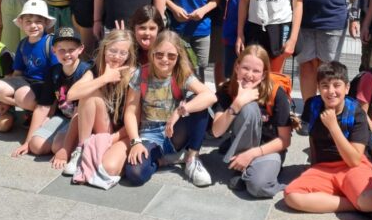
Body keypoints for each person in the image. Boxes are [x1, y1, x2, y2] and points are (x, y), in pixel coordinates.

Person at [283, 61, 372, 215]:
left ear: (347, 88)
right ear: (318, 88)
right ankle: (352, 203)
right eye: (325, 86)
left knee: (371, 202)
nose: (331, 91)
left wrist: (333, 127)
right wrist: (313, 165)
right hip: (323, 169)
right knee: (292, 196)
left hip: (352, 167)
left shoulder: (356, 112)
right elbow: (312, 137)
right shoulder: (313, 105)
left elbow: (354, 160)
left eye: (337, 85)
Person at [118, 30, 217, 187]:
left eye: (171, 56)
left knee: (198, 103)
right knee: (135, 174)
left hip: (175, 131)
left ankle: (192, 158)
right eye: (159, 55)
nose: (165, 60)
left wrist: (178, 112)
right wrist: (136, 142)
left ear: (178, 57)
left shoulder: (181, 74)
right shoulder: (141, 74)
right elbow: (130, 112)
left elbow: (210, 96)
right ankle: (165, 160)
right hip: (150, 134)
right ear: (152, 54)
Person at [210, 45, 293, 198]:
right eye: (245, 68)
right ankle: (241, 168)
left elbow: (285, 140)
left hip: (268, 149)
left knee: (258, 187)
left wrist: (251, 154)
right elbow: (216, 131)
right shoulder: (227, 89)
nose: (249, 75)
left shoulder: (276, 93)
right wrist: (238, 103)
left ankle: (254, 167)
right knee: (248, 108)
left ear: (263, 74)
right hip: (242, 146)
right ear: (237, 67)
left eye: (256, 71)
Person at [66, 29, 135, 180]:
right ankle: (82, 150)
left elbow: (135, 117)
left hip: (120, 133)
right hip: (102, 126)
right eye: (113, 51)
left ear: (129, 55)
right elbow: (71, 95)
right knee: (88, 94)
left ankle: (95, 149)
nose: (117, 56)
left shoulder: (132, 74)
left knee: (109, 167)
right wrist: (105, 78)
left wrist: (113, 139)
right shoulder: (95, 68)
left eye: (123, 53)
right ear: (104, 49)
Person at [13, 27, 88, 167]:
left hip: (79, 119)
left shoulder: (85, 71)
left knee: (57, 147)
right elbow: (43, 107)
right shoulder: (54, 72)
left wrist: (65, 149)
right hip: (62, 116)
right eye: (61, 50)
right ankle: (58, 139)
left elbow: (79, 113)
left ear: (80, 49)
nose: (67, 54)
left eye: (71, 49)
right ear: (54, 50)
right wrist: (27, 142)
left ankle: (79, 144)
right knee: (35, 146)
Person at [0, 0, 56, 133]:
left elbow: (57, 75)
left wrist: (53, 104)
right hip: (26, 81)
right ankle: (32, 110)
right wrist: (2, 100)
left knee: (21, 95)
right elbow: (17, 73)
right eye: (28, 22)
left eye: (38, 21)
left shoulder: (50, 42)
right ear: (22, 23)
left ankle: (45, 111)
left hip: (45, 84)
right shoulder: (23, 44)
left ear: (46, 23)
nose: (33, 25)